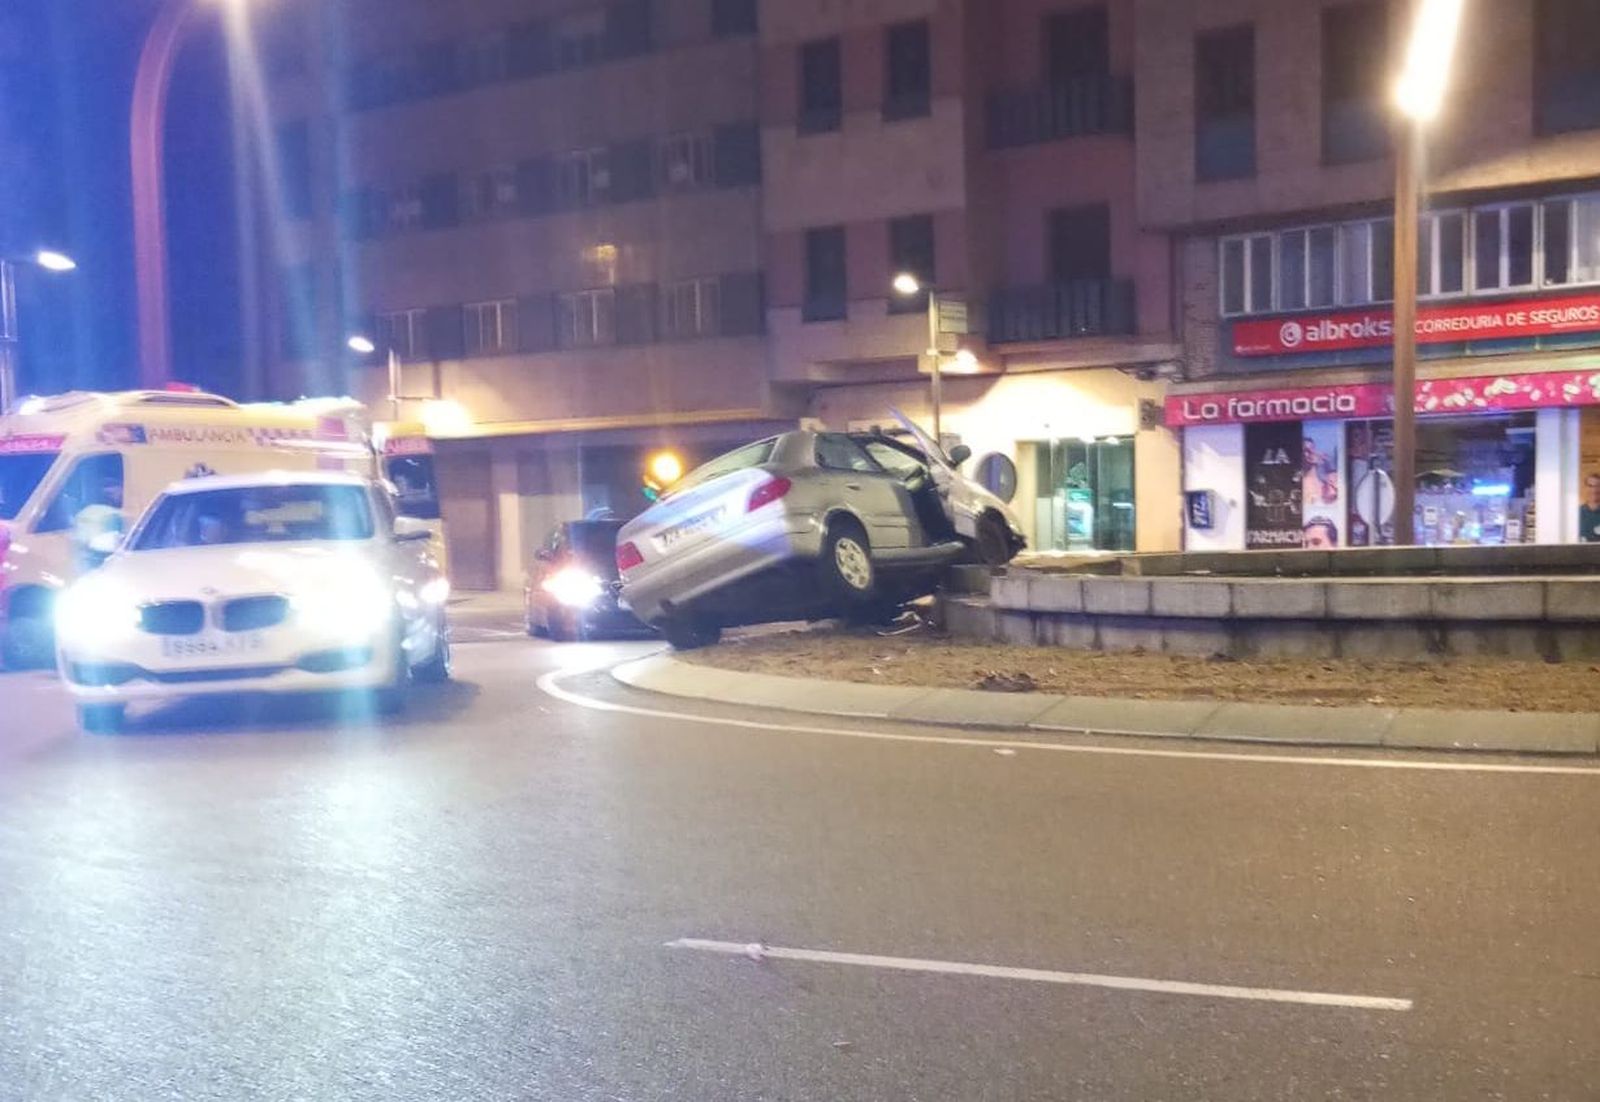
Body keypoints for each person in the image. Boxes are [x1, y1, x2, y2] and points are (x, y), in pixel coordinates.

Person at [1580, 473, 1600, 543]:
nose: (1594, 490)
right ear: (1585, 488)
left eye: (1598, 486)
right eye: (1590, 486)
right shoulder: (1577, 513)